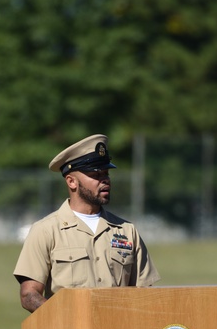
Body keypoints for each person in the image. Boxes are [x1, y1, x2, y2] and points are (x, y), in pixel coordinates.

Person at [13, 134, 160, 313]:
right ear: (72, 182)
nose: (105, 180)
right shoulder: (45, 230)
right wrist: (64, 319)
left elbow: (144, 294)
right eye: (96, 175)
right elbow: (29, 295)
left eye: (106, 173)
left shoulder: (127, 231)